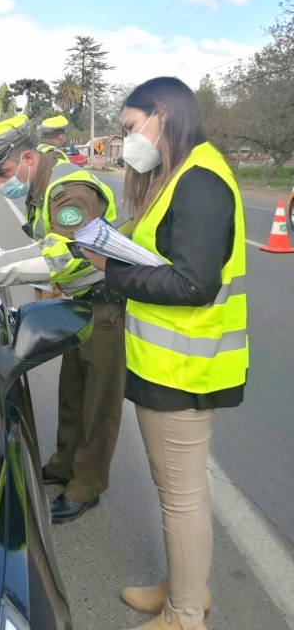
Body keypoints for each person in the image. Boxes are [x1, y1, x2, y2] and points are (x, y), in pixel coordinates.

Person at [77, 77, 248, 630]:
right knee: (175, 490)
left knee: (181, 497)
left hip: (184, 369)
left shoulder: (199, 181)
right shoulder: (180, 176)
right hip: (167, 365)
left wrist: (115, 270)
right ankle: (182, 590)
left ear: (162, 113)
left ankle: (183, 615)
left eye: (129, 127)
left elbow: (193, 284)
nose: (127, 140)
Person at [0, 115, 126, 523]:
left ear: (28, 159)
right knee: (72, 393)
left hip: (106, 306)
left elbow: (64, 255)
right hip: (81, 304)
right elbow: (44, 245)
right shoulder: (43, 187)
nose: (2, 184)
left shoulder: (69, 190)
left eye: (3, 172)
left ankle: (85, 487)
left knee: (97, 403)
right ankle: (63, 466)